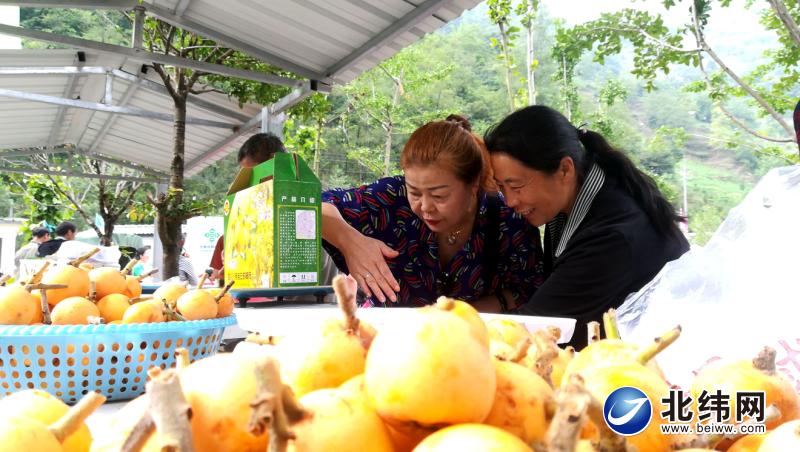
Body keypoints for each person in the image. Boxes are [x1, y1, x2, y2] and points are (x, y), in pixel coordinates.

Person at [484, 105, 690, 347]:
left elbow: (533, 332)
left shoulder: (610, 237)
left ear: (565, 169)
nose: (510, 201)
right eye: (502, 188)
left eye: (516, 186)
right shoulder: (567, 203)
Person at [321, 115, 545, 311]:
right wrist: (349, 241)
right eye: (415, 193)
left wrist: (466, 314)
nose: (425, 207)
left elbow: (529, 287)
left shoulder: (508, 219)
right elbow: (311, 206)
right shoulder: (390, 198)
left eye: (439, 196)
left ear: (473, 185)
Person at [208, 132, 287, 284]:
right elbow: (219, 274)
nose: (251, 185)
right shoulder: (228, 239)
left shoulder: (313, 207)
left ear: (273, 161)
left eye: (254, 174)